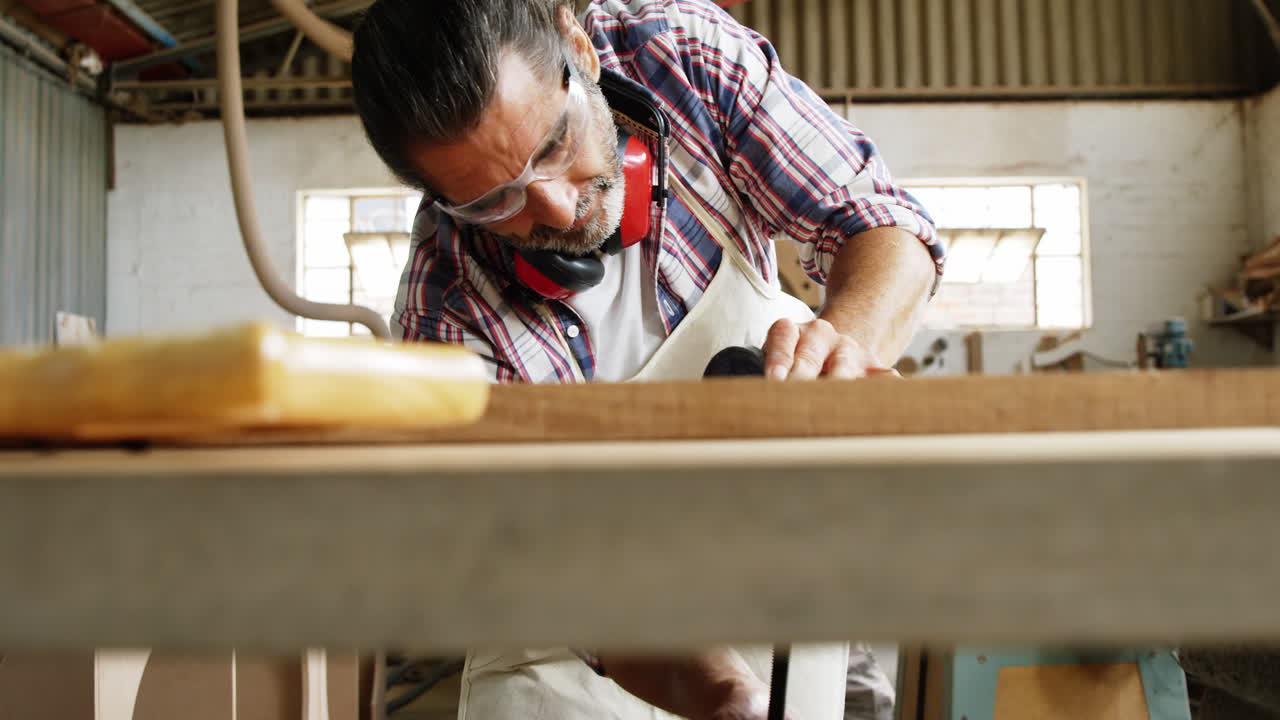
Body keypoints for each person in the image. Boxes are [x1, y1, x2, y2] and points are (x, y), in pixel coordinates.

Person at [351, 1, 944, 718]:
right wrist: (724, 692)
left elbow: (881, 222)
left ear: (580, 48)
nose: (560, 211)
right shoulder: (443, 320)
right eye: (492, 202)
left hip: (793, 579)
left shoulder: (682, 58)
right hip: (577, 655)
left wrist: (846, 342)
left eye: (554, 146)